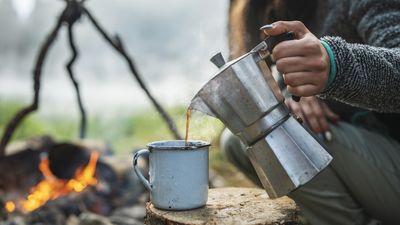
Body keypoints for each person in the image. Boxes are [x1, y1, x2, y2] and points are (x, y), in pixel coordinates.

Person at [220, 1, 400, 224]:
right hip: (364, 157)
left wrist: (334, 65)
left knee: (283, 134)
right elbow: (280, 80)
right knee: (238, 140)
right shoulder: (260, 9)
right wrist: (294, 92)